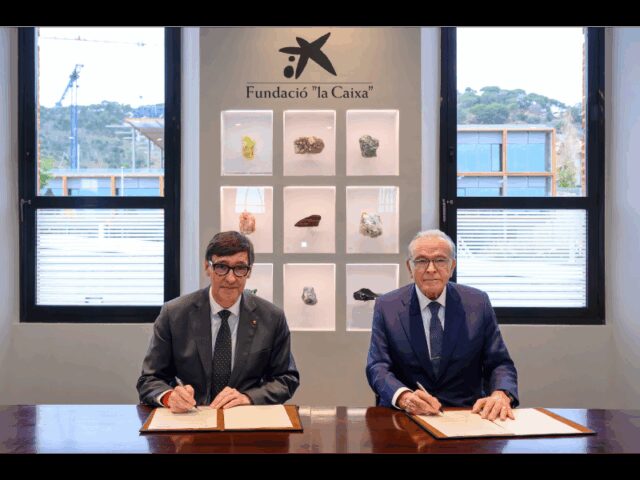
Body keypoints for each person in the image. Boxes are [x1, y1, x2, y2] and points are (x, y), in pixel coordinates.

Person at [137, 231, 299, 413]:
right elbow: (149, 379)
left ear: (249, 272)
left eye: (240, 268)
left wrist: (248, 397)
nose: (231, 278)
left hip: (245, 416)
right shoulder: (174, 314)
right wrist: (169, 397)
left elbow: (286, 379)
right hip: (191, 415)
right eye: (221, 267)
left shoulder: (272, 317)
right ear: (207, 267)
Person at [366, 229, 518, 421]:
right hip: (407, 415)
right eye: (421, 261)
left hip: (466, 414)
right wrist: (404, 397)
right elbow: (377, 366)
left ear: (452, 266)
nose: (431, 269)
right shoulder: (388, 306)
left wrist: (501, 394)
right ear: (410, 268)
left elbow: (499, 363)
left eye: (439, 260)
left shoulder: (477, 303)